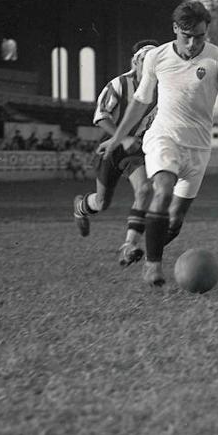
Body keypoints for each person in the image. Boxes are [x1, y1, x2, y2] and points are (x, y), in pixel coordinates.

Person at [98, 1, 218, 287]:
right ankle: (152, 267)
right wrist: (118, 137)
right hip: (164, 136)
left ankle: (138, 245)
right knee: (162, 190)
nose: (194, 43)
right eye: (188, 36)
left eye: (200, 36)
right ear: (175, 29)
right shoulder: (156, 57)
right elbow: (140, 102)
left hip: (198, 147)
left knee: (175, 220)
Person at [73, 40, 160, 267]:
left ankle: (128, 246)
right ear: (136, 62)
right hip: (111, 148)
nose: (152, 68)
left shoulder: (161, 92)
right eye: (147, 62)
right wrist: (122, 138)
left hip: (134, 150)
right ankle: (81, 207)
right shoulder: (119, 84)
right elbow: (101, 115)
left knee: (144, 189)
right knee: (102, 203)